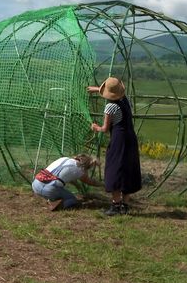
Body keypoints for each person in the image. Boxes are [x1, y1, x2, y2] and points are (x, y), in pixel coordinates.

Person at [88, 77, 142, 215]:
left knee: (115, 169)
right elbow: (115, 95)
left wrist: (95, 127)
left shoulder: (110, 107)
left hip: (119, 141)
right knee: (128, 169)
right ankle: (125, 205)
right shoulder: (126, 100)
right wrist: (97, 89)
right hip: (130, 139)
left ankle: (115, 206)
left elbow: (105, 129)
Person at [32, 154, 101, 211]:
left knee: (57, 190)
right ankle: (57, 205)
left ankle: (52, 199)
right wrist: (103, 184)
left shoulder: (64, 159)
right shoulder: (80, 170)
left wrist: (77, 185)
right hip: (48, 189)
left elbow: (65, 176)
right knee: (72, 199)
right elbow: (90, 182)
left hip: (36, 183)